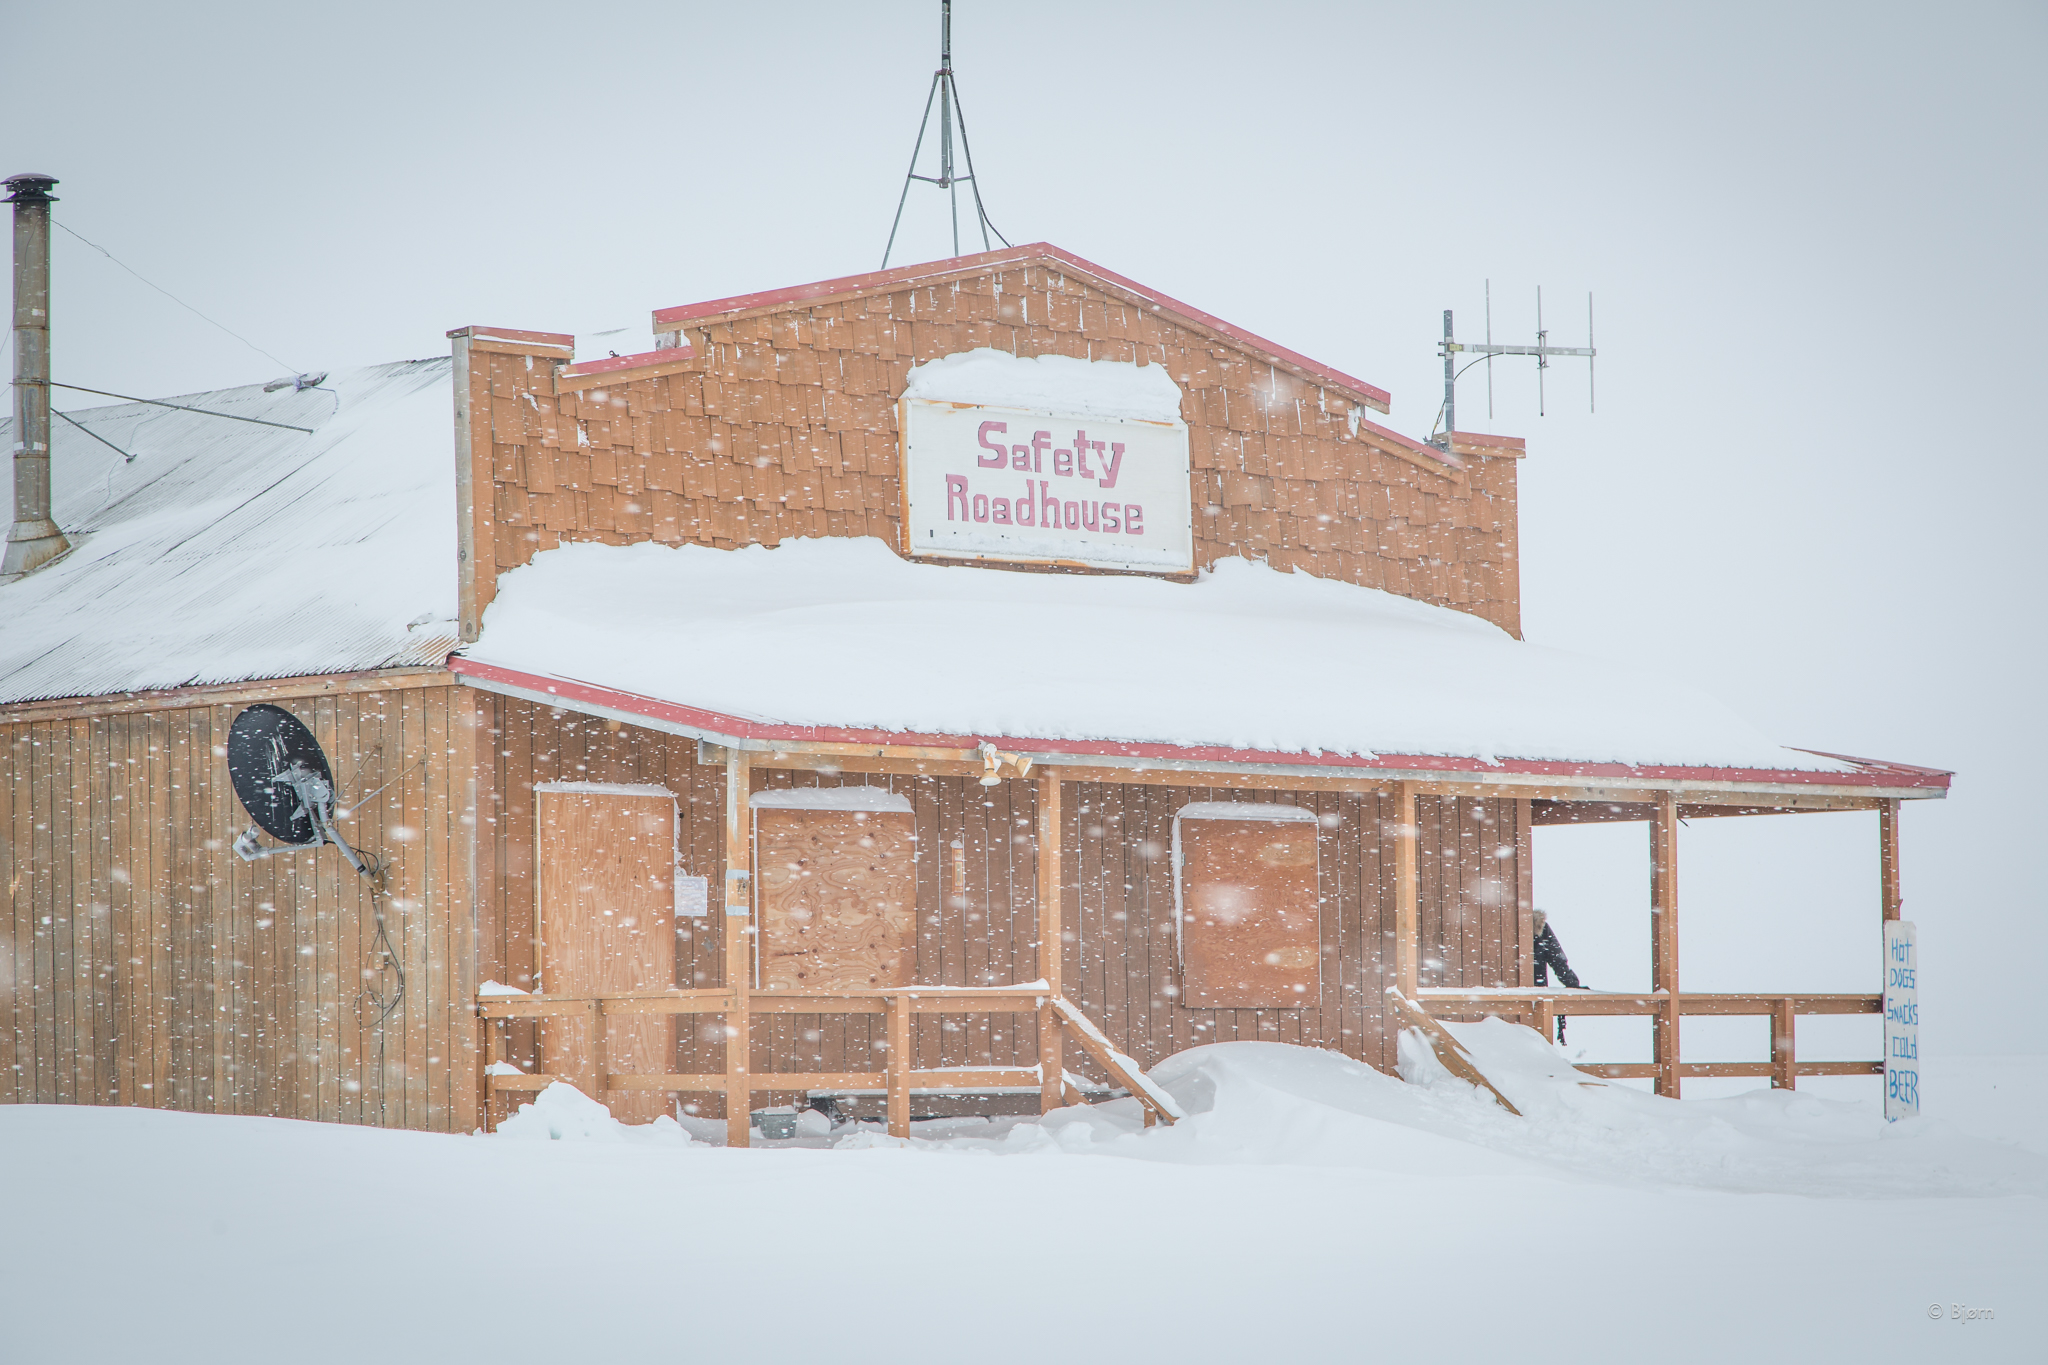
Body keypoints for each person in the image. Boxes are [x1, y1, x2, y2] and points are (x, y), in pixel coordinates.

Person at [1532, 909, 1585, 1043]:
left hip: (1530, 998)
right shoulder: (1536, 925)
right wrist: (1572, 983)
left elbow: (1557, 958)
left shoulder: (1535, 925)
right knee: (1536, 1042)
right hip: (1535, 998)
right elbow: (1557, 959)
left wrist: (1572, 983)